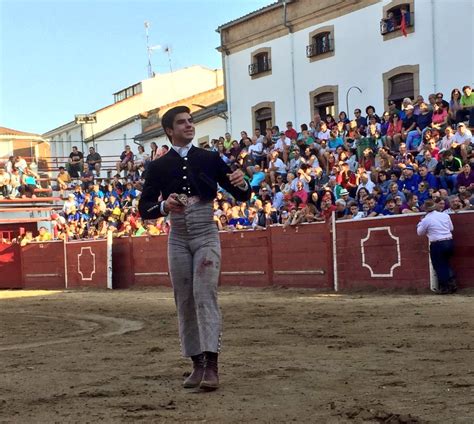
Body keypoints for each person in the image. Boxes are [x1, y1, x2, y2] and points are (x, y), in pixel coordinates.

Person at [139, 106, 251, 391]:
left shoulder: (210, 158)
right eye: (182, 122)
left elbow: (240, 193)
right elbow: (146, 209)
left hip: (204, 232)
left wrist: (243, 181)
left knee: (204, 294)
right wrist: (164, 205)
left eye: (191, 121)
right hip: (177, 236)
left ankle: (211, 366)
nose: (189, 126)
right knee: (184, 299)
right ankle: (197, 364)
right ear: (169, 130)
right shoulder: (157, 166)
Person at [417, 199, 457, 294]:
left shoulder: (426, 219)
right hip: (449, 242)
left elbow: (419, 232)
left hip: (438, 244)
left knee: (439, 265)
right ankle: (452, 282)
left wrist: (420, 222)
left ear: (426, 209)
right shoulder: (445, 215)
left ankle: (446, 287)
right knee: (446, 263)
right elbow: (451, 228)